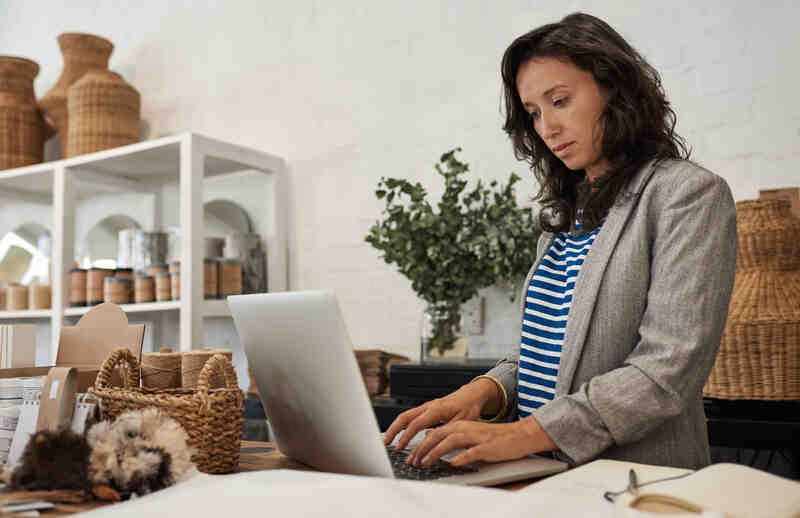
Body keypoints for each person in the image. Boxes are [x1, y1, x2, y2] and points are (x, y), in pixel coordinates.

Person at [383, 12, 737, 471]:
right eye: (533, 112)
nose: (546, 128)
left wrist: (521, 435)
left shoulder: (687, 194)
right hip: (540, 472)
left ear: (614, 89)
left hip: (635, 481)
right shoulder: (564, 213)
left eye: (560, 101)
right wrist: (483, 392)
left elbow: (665, 371)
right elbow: (546, 353)